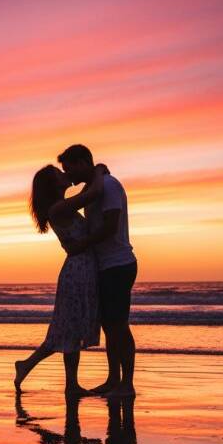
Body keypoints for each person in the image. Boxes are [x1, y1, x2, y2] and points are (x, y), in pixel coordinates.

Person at [14, 163, 106, 395]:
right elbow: (93, 194)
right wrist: (98, 171)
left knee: (70, 330)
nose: (65, 174)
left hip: (82, 268)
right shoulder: (58, 209)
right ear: (52, 185)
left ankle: (68, 383)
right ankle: (38, 370)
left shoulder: (62, 207)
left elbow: (87, 195)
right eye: (59, 173)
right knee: (67, 330)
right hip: (77, 271)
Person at [59, 144, 137, 398]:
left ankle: (127, 384)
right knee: (110, 327)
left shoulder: (110, 185)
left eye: (68, 168)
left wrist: (81, 245)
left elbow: (111, 226)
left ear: (82, 162)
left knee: (119, 326)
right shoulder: (93, 188)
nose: (67, 175)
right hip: (104, 266)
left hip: (118, 263)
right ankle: (114, 379)